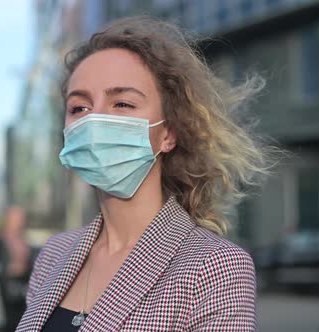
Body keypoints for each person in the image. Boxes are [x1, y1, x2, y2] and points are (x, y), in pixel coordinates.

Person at [17, 16, 270, 332]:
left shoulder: (214, 268)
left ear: (168, 133)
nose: (94, 121)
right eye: (79, 108)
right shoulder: (52, 256)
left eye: (122, 103)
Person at [0, 206, 35, 332]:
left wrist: (26, 268)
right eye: (17, 218)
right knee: (11, 323)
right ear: (9, 219)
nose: (21, 220)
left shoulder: (23, 238)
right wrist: (9, 269)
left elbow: (31, 263)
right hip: (7, 287)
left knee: (23, 322)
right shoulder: (1, 239)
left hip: (23, 285)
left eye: (21, 218)